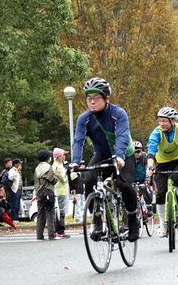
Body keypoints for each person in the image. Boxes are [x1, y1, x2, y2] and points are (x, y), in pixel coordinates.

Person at [71, 77, 140, 242]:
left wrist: (120, 156)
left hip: (123, 154)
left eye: (96, 98)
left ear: (106, 99)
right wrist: (76, 161)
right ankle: (97, 220)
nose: (92, 102)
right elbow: (78, 140)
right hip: (102, 155)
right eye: (89, 98)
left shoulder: (118, 114)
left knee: (123, 184)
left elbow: (122, 136)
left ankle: (132, 219)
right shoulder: (84, 119)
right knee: (88, 179)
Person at [146, 107, 178, 238]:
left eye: (164, 121)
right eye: (160, 121)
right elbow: (151, 150)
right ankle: (162, 224)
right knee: (160, 193)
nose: (161, 124)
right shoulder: (156, 132)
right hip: (162, 163)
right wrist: (150, 166)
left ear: (172, 121)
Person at [34, 150, 60, 240]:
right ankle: (51, 235)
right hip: (48, 192)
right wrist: (56, 175)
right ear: (47, 158)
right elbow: (53, 180)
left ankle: (39, 235)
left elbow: (36, 182)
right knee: (50, 213)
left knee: (40, 214)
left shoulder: (37, 168)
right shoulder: (48, 167)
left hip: (40, 193)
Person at [52, 148, 71, 238]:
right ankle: (60, 230)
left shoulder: (60, 165)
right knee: (61, 211)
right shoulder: (57, 166)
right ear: (59, 156)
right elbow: (63, 179)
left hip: (62, 190)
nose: (64, 157)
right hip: (60, 190)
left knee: (61, 211)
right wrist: (67, 171)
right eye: (63, 155)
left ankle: (60, 230)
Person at [134, 141, 153, 205]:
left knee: (144, 188)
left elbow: (148, 168)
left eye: (138, 151)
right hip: (133, 180)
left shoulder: (145, 156)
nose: (136, 154)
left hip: (144, 180)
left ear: (141, 150)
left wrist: (147, 180)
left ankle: (149, 207)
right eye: (134, 151)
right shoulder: (129, 158)